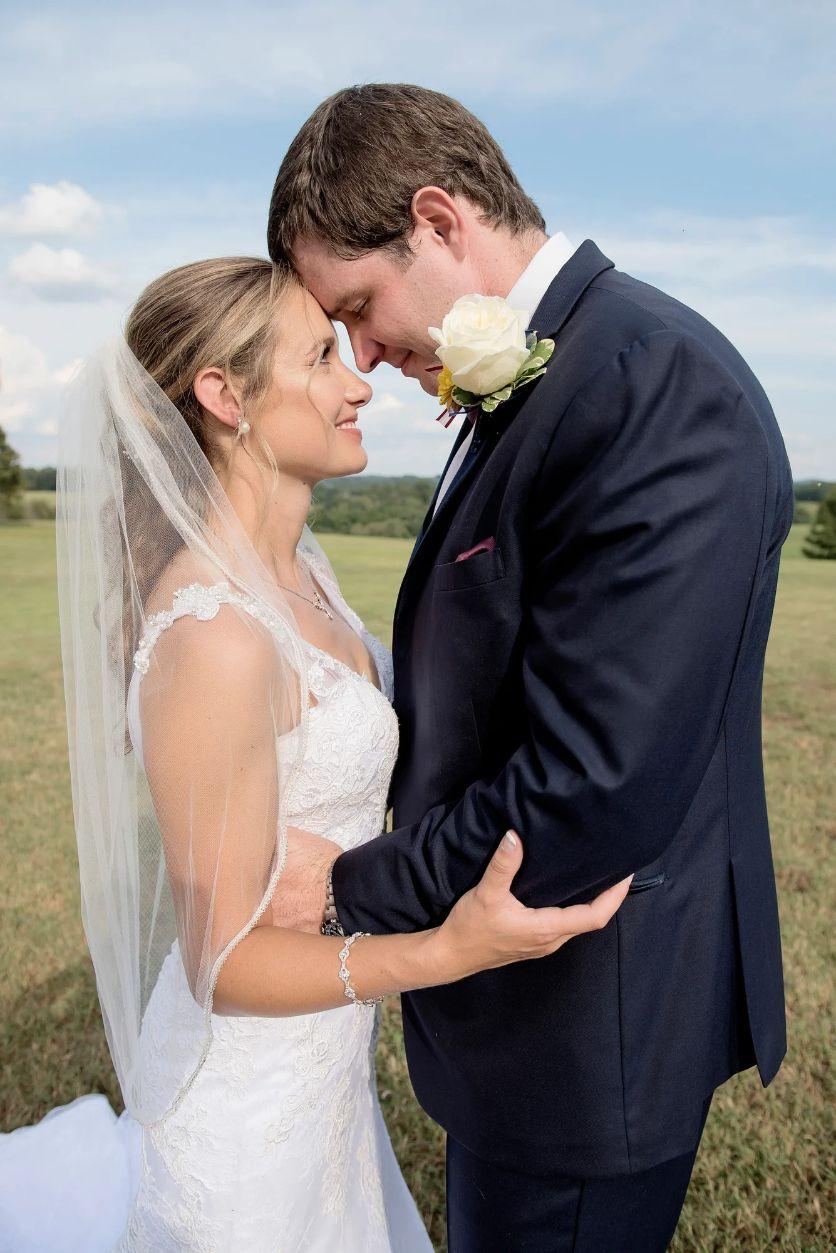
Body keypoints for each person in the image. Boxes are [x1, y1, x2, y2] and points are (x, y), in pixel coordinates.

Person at [0, 255, 631, 1253]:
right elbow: (223, 964)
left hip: (319, 1084)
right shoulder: (215, 634)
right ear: (224, 397)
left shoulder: (301, 572)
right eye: (319, 358)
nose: (357, 383)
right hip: (240, 1123)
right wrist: (443, 950)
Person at [267, 83, 794, 1251]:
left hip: (587, 1021)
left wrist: (348, 891)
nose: (364, 353)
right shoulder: (551, 377)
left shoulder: (649, 384)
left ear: (437, 220)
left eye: (357, 307)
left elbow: (592, 783)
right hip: (524, 1015)